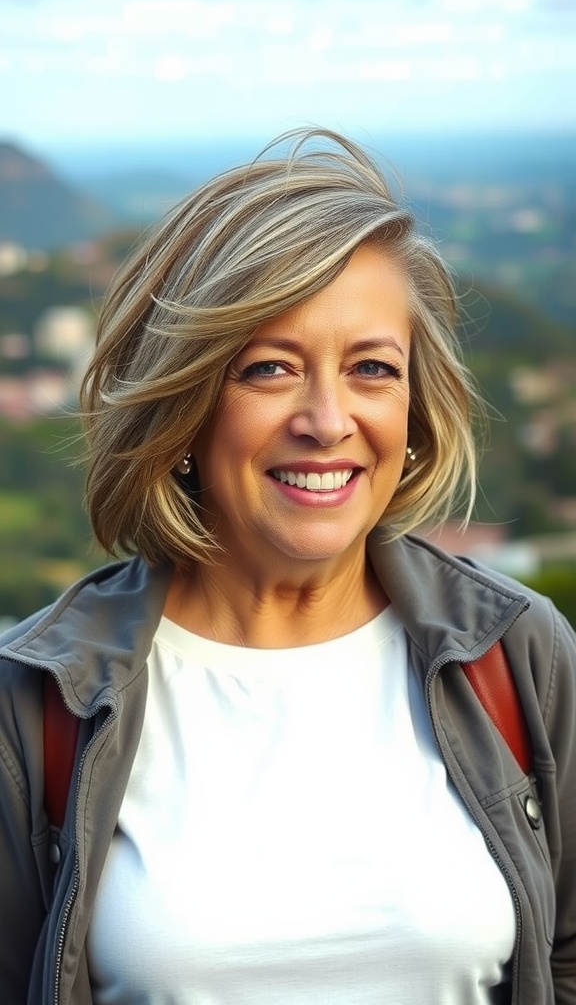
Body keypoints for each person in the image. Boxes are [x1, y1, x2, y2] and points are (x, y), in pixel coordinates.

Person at [0, 128, 574, 1005]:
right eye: (269, 369)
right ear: (183, 404)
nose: (327, 419)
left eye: (371, 369)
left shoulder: (519, 655)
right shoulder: (38, 701)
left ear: (415, 410)